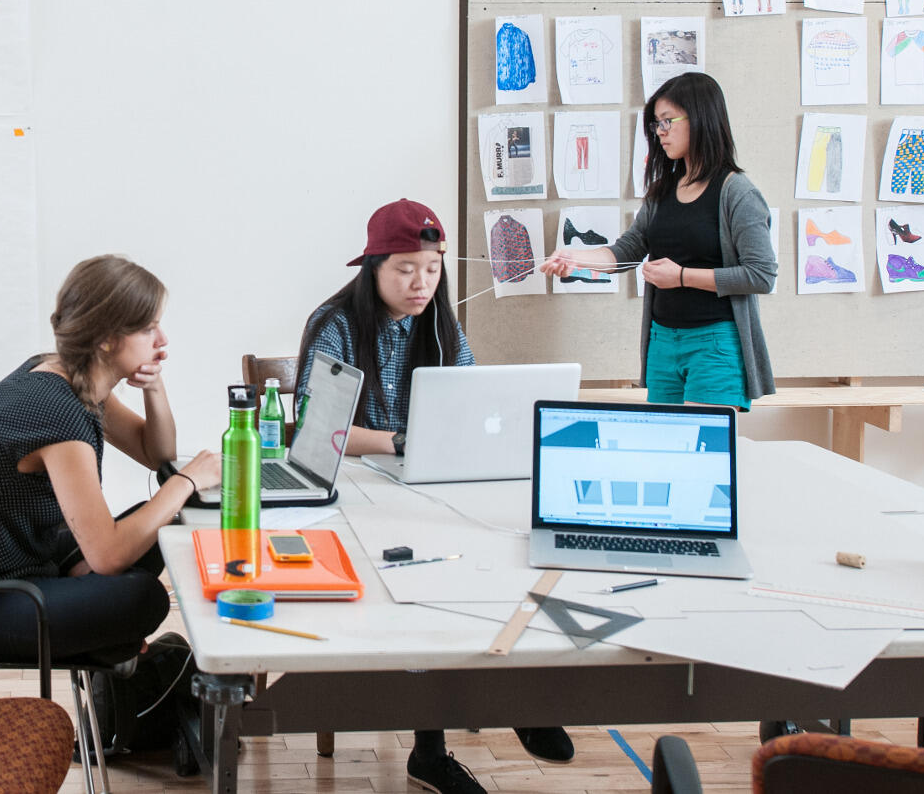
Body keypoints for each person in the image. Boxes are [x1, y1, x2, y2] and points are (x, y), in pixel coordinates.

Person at [295, 199, 573, 793]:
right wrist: (401, 440)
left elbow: (472, 398)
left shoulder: (441, 321)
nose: (421, 282)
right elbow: (317, 429)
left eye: (431, 267)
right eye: (404, 268)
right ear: (372, 267)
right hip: (362, 489)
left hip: (428, 481)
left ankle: (514, 694)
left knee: (501, 553)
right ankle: (430, 748)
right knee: (427, 580)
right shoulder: (336, 324)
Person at [0, 255, 220, 665]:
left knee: (156, 527)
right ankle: (109, 645)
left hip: (11, 568)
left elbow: (155, 454)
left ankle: (107, 643)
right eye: (147, 328)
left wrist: (153, 388)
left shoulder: (64, 375)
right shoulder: (56, 414)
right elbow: (107, 555)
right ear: (107, 339)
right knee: (144, 597)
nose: (162, 340)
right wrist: (186, 482)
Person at [542, 71, 777, 410]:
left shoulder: (737, 192)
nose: (660, 133)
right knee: (662, 453)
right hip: (662, 342)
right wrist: (574, 258)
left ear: (700, 118)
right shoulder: (662, 189)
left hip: (715, 344)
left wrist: (682, 277)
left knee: (701, 453)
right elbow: (627, 251)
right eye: (656, 125)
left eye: (668, 121)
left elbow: (761, 275)